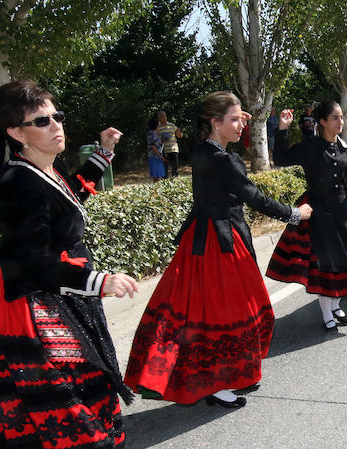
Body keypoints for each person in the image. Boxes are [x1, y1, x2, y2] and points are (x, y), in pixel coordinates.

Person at [0, 79, 139, 449]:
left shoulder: (42, 169)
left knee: (78, 393)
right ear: (17, 133)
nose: (56, 125)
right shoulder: (16, 184)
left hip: (65, 297)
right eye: (42, 121)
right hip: (34, 304)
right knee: (66, 401)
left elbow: (70, 199)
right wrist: (99, 281)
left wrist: (101, 156)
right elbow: (35, 261)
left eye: (57, 116)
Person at [125, 91, 311, 408]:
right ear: (215, 122)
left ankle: (215, 381)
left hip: (201, 237)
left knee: (203, 313)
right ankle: (220, 382)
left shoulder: (202, 151)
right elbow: (254, 197)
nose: (241, 125)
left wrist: (236, 116)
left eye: (242, 119)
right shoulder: (225, 161)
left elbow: (236, 174)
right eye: (235, 120)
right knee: (237, 312)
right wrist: (296, 214)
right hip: (220, 243)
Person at [266, 100, 347, 331]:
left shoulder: (346, 148)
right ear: (322, 121)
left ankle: (336, 304)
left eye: (341, 117)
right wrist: (282, 128)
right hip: (319, 212)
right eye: (335, 118)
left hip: (344, 211)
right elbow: (280, 159)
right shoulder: (310, 146)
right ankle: (327, 311)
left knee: (343, 262)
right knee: (325, 264)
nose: (340, 122)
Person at [156, 109, 182, 178]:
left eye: (164, 116)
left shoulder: (172, 125)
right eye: (161, 116)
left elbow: (179, 136)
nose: (163, 118)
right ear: (158, 118)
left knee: (175, 168)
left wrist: (179, 131)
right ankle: (165, 183)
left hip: (173, 149)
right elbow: (156, 140)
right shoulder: (158, 128)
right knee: (165, 169)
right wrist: (161, 139)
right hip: (164, 151)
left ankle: (175, 181)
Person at [147, 116, 166, 182]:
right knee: (156, 176)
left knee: (159, 175)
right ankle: (156, 190)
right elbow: (153, 147)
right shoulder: (151, 134)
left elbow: (157, 144)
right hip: (154, 157)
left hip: (157, 157)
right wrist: (160, 156)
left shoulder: (155, 133)